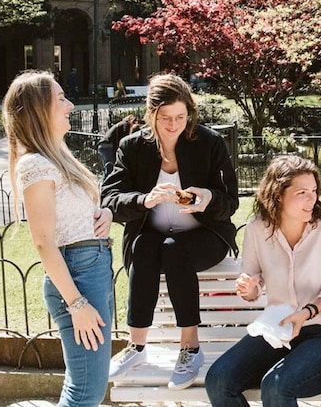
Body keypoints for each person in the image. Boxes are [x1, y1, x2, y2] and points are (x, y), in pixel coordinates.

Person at [102, 73, 239, 390]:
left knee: (174, 248)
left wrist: (206, 199)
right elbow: (109, 199)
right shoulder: (132, 147)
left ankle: (190, 348)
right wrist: (144, 199)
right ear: (151, 115)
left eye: (181, 117)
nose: (174, 124)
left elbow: (230, 202)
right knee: (147, 246)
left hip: (205, 237)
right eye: (165, 118)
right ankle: (136, 346)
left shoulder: (209, 142)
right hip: (152, 239)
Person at [1, 70, 114, 407]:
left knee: (85, 387)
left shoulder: (55, 156)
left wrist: (103, 214)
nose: (70, 104)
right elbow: (43, 241)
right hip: (78, 280)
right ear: (39, 111)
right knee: (86, 393)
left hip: (90, 270)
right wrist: (77, 304)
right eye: (61, 99)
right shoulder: (35, 164)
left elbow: (74, 213)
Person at [205, 155, 321, 406]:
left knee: (276, 386)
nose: (312, 199)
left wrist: (306, 313)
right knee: (219, 381)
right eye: (302, 193)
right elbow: (252, 285)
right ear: (278, 195)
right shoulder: (256, 229)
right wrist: (248, 288)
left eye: (314, 191)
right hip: (278, 329)